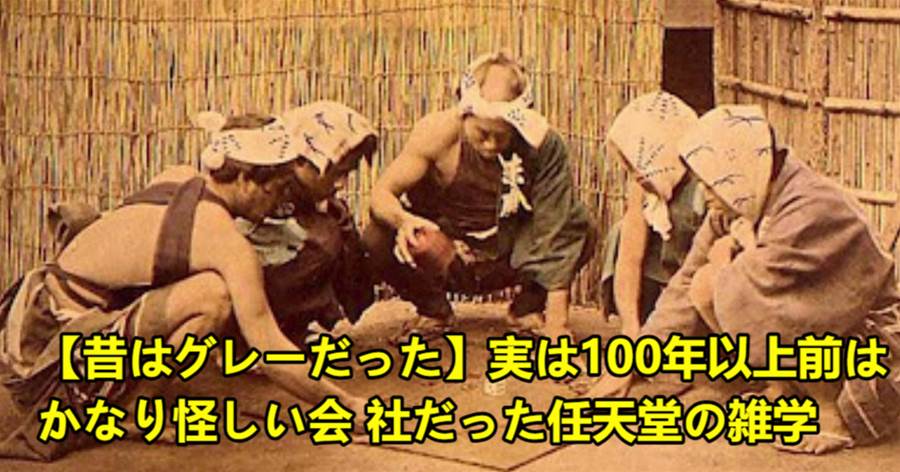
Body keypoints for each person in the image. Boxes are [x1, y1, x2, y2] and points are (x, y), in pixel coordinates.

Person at [0, 109, 367, 460]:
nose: (280, 202)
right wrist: (347, 405)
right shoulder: (222, 240)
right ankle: (133, 408)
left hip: (33, 324)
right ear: (244, 180)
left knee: (204, 286)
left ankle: (131, 399)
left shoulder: (179, 177)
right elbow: (270, 350)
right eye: (276, 189)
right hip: (48, 359)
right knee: (213, 297)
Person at [591, 104, 900, 454]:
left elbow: (761, 290)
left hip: (874, 347)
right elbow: (685, 283)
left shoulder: (811, 205)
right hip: (826, 341)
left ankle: (832, 416)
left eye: (711, 183)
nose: (705, 194)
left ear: (735, 170)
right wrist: (632, 362)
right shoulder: (743, 200)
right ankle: (782, 389)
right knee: (704, 283)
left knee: (731, 284)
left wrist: (727, 258)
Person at [363, 51, 596, 340]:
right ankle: (433, 309)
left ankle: (527, 307)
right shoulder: (436, 133)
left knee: (581, 227)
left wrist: (558, 326)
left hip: (512, 255)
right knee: (377, 236)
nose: (491, 144)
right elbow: (381, 194)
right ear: (465, 113)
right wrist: (404, 221)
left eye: (502, 135)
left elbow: (555, 227)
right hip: (448, 254)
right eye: (482, 133)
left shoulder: (542, 145)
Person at [232, 101, 378, 344]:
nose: (341, 183)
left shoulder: (322, 207)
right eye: (336, 172)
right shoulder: (258, 190)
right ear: (302, 161)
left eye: (347, 173)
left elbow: (356, 290)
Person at [601, 91, 706, 341]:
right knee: (620, 233)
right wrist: (630, 326)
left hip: (696, 281)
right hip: (663, 278)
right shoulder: (642, 185)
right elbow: (630, 258)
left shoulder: (704, 182)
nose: (637, 175)